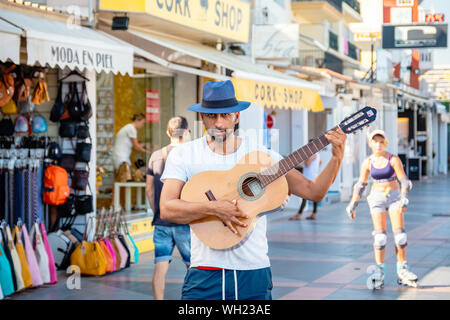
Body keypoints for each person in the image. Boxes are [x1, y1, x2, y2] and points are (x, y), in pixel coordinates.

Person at [159, 80, 347, 300]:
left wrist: (337, 157)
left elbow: (313, 192)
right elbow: (167, 209)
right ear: (202, 117)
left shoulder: (260, 155)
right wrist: (214, 208)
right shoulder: (184, 154)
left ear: (237, 116)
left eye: (226, 115)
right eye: (212, 115)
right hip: (204, 272)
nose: (219, 123)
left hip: (253, 271)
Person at [346, 129, 418, 289]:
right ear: (370, 143)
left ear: (385, 143)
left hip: (394, 197)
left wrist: (404, 196)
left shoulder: (393, 159)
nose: (378, 144)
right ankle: (379, 270)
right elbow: (361, 184)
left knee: (400, 236)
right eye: (375, 141)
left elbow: (404, 179)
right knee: (380, 238)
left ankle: (402, 270)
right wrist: (353, 203)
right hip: (376, 198)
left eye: (381, 141)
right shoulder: (367, 162)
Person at [146, 116, 191, 300]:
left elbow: (149, 188)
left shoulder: (156, 156)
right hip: (184, 221)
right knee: (194, 268)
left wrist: (157, 210)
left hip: (162, 222)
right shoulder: (189, 156)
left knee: (160, 267)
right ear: (186, 132)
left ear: (168, 133)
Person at [289, 141, 323, 221]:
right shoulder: (318, 154)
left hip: (308, 178)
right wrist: (315, 168)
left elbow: (307, 164)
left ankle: (299, 214)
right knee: (313, 197)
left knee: (304, 197)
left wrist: (306, 159)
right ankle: (313, 213)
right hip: (314, 177)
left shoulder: (311, 154)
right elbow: (320, 162)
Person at [113, 113, 148, 182]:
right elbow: (136, 145)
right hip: (122, 158)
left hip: (121, 157)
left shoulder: (128, 128)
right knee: (126, 180)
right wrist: (147, 152)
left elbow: (136, 144)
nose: (142, 125)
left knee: (121, 179)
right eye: (142, 123)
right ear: (137, 120)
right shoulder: (131, 129)